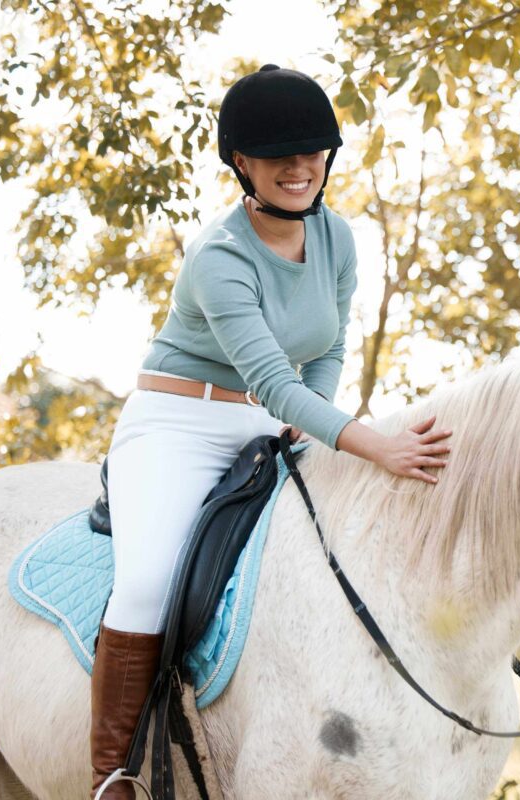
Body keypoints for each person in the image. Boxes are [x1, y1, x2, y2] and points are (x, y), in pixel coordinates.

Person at [88, 64, 452, 799]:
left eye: (313, 151)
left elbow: (326, 350)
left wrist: (310, 431)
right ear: (241, 164)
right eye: (279, 156)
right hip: (177, 424)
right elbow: (276, 382)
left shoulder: (338, 238)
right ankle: (112, 773)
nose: (299, 168)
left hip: (269, 421)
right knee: (148, 581)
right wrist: (370, 442)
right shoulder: (219, 257)